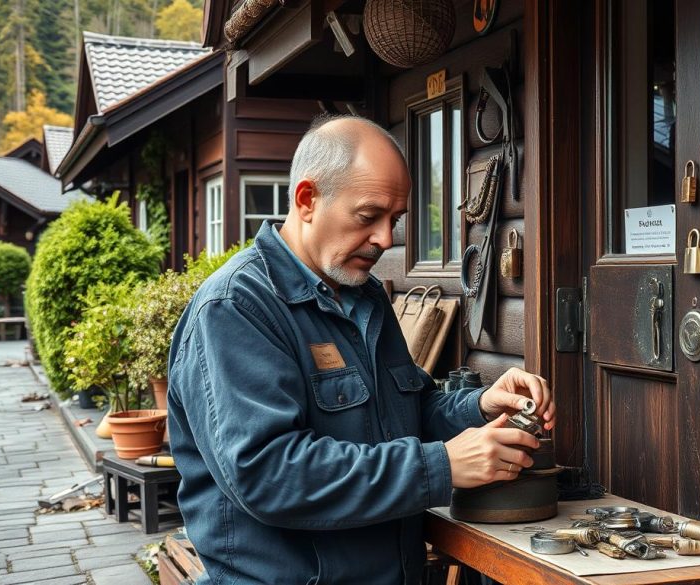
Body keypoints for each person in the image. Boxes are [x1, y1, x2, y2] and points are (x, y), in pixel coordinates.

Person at [166, 115, 555, 584]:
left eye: (395, 220)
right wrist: (442, 465)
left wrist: (479, 406)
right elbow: (268, 474)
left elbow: (406, 409)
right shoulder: (236, 307)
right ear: (307, 200)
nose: (385, 240)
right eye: (369, 217)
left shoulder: (363, 295)